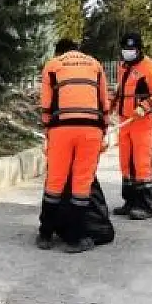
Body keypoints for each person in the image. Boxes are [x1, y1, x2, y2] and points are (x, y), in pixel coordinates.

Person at [37, 38, 112, 253]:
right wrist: (103, 131)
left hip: (61, 129)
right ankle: (74, 239)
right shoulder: (95, 65)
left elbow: (46, 104)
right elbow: (103, 101)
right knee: (81, 185)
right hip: (90, 130)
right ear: (78, 50)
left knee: (55, 182)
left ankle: (45, 235)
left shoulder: (53, 65)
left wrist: (48, 132)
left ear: (59, 51)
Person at [109, 32, 152, 220]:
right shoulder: (123, 67)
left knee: (141, 162)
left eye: (131, 49)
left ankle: (146, 205)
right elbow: (120, 90)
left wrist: (144, 107)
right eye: (125, 49)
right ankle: (130, 202)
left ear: (139, 49)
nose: (127, 52)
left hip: (142, 121)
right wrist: (109, 106)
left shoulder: (150, 67)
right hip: (125, 120)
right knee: (126, 163)